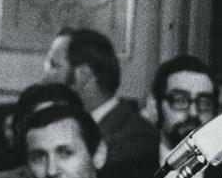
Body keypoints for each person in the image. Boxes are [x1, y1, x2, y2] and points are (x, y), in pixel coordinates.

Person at [43, 27, 157, 169]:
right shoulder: (57, 124)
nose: (45, 79)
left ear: (82, 75)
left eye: (54, 65)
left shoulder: (135, 138)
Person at [152, 55, 222, 178]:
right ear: (156, 105)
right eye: (180, 100)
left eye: (204, 103)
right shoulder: (128, 173)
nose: (193, 112)